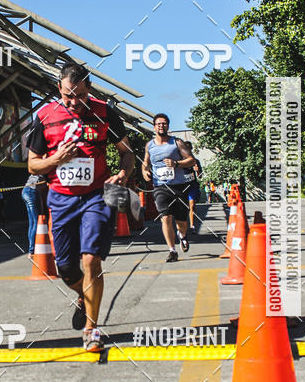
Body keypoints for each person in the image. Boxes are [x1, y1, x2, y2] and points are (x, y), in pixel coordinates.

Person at [27, 62, 134, 353]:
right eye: (67, 95)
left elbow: (127, 154)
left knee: (91, 261)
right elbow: (33, 164)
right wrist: (55, 160)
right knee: (66, 271)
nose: (73, 102)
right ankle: (81, 295)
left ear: (89, 88)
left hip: (97, 196)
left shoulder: (104, 112)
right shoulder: (45, 116)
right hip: (60, 200)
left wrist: (123, 174)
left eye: (79, 95)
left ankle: (92, 329)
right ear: (59, 89)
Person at [142, 114, 196, 262]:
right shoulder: (150, 145)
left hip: (179, 186)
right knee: (165, 217)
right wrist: (144, 170)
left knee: (181, 222)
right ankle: (172, 250)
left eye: (164, 124)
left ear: (168, 126)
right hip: (160, 187)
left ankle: (182, 235)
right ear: (154, 127)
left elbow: (191, 160)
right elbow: (146, 162)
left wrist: (176, 164)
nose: (161, 126)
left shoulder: (177, 143)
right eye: (158, 124)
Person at [21, 174, 47, 258]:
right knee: (37, 222)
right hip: (32, 191)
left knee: (32, 222)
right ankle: (32, 251)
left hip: (26, 190)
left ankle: (31, 249)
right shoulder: (46, 166)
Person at [184, 141, 203, 233]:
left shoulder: (196, 162)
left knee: (192, 205)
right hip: (181, 187)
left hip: (192, 186)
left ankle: (192, 226)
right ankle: (182, 227)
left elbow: (200, 177)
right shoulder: (179, 162)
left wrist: (197, 171)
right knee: (183, 208)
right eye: (185, 149)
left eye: (189, 149)